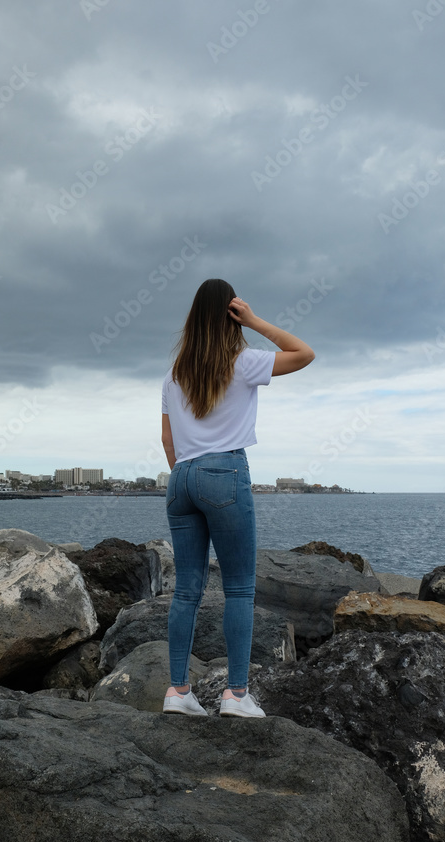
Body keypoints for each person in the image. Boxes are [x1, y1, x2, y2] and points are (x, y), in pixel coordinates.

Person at [160, 278, 315, 718]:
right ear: (231, 315)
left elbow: (169, 443)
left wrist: (188, 475)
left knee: (186, 591)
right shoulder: (242, 362)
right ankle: (236, 695)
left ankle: (177, 692)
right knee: (240, 589)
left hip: (181, 478)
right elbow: (304, 354)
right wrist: (254, 320)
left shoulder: (174, 374)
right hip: (224, 471)